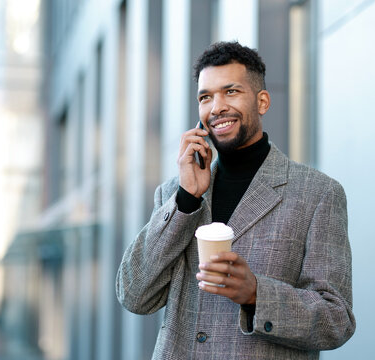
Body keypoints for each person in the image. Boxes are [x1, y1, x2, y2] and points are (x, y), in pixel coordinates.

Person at [116, 41, 355, 359]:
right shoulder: (175, 193)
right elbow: (134, 296)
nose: (216, 107)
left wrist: (257, 294)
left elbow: (336, 320)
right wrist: (186, 200)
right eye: (206, 97)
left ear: (262, 101)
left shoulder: (318, 194)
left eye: (231, 92)